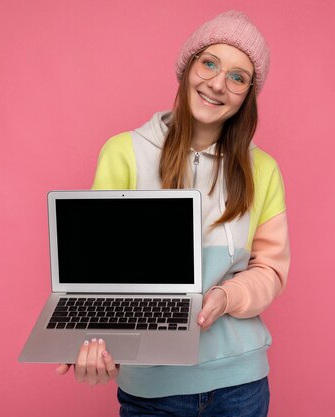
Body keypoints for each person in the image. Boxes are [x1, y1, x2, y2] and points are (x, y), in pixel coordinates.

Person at [56, 10, 291, 417]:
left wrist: (225, 295)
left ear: (247, 95)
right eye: (210, 63)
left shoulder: (264, 170)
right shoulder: (124, 152)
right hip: (151, 389)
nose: (218, 83)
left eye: (237, 77)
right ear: (188, 67)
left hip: (240, 385)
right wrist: (90, 341)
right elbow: (96, 272)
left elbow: (270, 270)